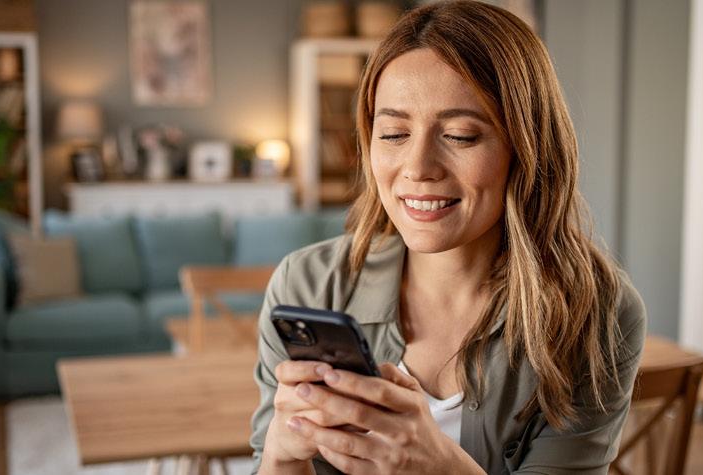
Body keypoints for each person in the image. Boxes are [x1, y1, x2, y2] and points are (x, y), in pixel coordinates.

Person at [249, 1, 646, 473]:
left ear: (528, 147)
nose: (417, 168)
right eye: (394, 133)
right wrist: (279, 457)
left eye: (460, 136)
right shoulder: (308, 286)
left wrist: (439, 465)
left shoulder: (595, 311)